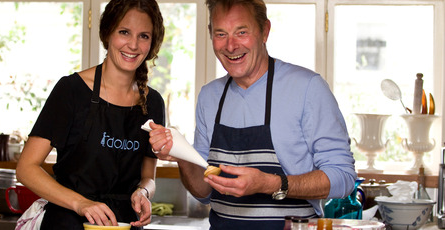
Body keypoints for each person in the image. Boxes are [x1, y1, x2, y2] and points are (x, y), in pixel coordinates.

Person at [148, 0, 356, 229]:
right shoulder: (210, 96)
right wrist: (181, 155)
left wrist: (270, 184)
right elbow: (203, 192)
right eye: (220, 34)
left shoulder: (307, 88)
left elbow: (343, 176)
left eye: (242, 32)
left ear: (264, 31)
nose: (230, 45)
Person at [15, 0, 165, 229]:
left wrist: (143, 192)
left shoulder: (153, 103)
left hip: (125, 222)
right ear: (107, 34)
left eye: (144, 36)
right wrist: (81, 204)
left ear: (152, 42)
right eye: (124, 32)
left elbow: (148, 177)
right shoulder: (71, 90)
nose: (133, 45)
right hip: (68, 221)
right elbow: (26, 168)